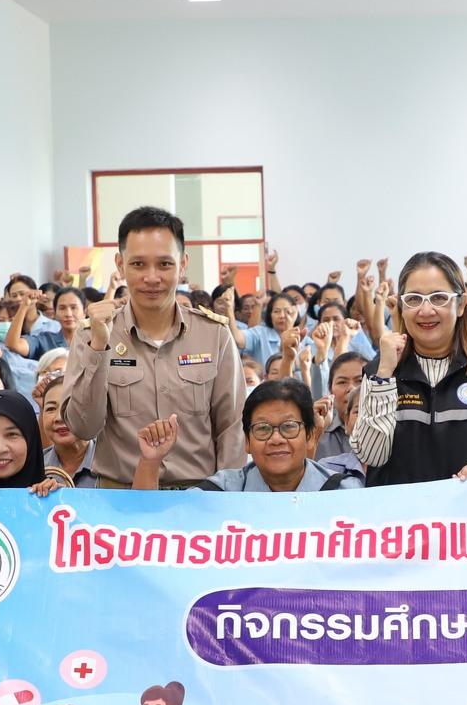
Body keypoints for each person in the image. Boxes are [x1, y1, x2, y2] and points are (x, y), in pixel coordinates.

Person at [60, 208, 244, 489]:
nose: (152, 277)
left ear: (183, 264)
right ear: (120, 265)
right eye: (138, 264)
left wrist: (226, 495)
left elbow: (232, 426)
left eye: (164, 264)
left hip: (199, 496)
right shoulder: (90, 335)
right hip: (120, 498)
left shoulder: (214, 335)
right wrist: (99, 347)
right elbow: (83, 428)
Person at [354, 251, 467, 485]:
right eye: (414, 299)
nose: (425, 311)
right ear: (401, 306)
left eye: (439, 298)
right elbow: (371, 455)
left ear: (461, 305)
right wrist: (384, 377)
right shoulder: (378, 372)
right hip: (397, 508)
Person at [135, 379, 364, 493]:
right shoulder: (222, 492)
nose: (276, 439)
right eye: (263, 429)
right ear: (246, 441)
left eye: (289, 427)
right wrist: (150, 461)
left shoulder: (342, 491)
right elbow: (154, 530)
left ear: (311, 436)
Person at [35, 374, 99, 489]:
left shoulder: (112, 465)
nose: (59, 417)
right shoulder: (34, 467)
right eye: (50, 409)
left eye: (70, 406)